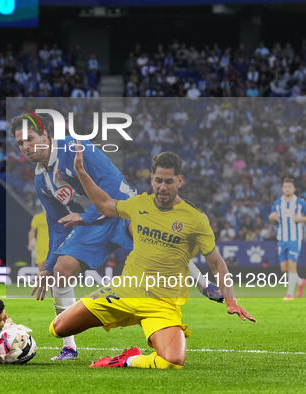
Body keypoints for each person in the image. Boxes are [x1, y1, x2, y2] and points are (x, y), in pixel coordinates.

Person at [11, 113, 222, 361]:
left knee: (154, 238)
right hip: (92, 223)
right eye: (20, 143)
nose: (25, 146)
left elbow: (111, 184)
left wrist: (87, 216)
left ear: (46, 134)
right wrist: (47, 267)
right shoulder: (41, 180)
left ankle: (203, 283)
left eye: (29, 138)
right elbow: (57, 226)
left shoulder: (74, 147)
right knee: (61, 268)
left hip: (121, 208)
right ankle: (69, 347)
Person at [49, 147, 255, 369]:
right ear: (152, 179)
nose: (162, 187)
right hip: (124, 292)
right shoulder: (139, 205)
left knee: (172, 361)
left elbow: (217, 263)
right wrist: (81, 171)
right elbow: (105, 205)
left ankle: (126, 359)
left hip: (162, 304)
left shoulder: (195, 219)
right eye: (158, 181)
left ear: (180, 181)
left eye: (169, 181)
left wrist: (231, 300)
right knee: (58, 328)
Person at [268, 177, 306, 300]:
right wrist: (271, 217)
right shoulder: (278, 203)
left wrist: (299, 219)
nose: (287, 189)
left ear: (294, 189)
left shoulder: (300, 202)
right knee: (284, 268)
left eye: (289, 187)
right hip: (282, 239)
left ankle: (289, 294)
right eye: (285, 187)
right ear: (282, 188)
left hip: (295, 238)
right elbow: (271, 216)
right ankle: (300, 282)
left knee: (292, 265)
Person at [28, 205, 49, 271]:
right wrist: (30, 242)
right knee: (41, 267)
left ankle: (52, 280)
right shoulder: (37, 217)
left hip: (52, 246)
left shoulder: (54, 217)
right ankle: (41, 280)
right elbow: (32, 231)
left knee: (52, 266)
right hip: (41, 246)